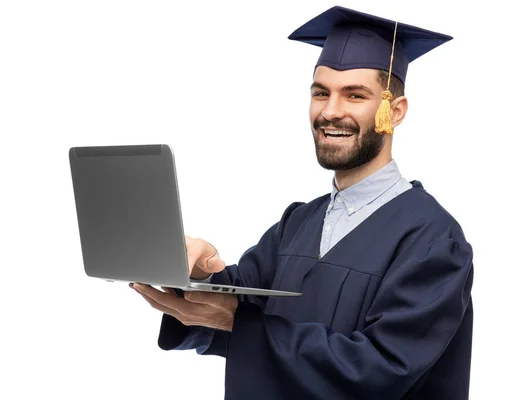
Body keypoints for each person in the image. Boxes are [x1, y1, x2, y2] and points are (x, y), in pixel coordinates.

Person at [131, 6, 474, 399]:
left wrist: (238, 324)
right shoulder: (298, 222)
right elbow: (236, 303)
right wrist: (198, 274)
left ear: (393, 112)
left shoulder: (432, 239)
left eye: (355, 95)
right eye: (320, 92)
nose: (330, 111)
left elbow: (382, 369)